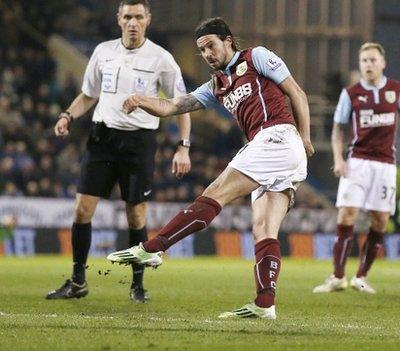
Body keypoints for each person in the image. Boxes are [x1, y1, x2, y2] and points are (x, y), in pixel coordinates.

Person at [107, 17, 315, 319]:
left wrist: (306, 137)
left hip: (278, 137)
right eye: (201, 50)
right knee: (264, 228)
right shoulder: (216, 85)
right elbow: (173, 106)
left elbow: (297, 92)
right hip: (274, 151)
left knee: (215, 191)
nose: (206, 54)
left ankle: (154, 247)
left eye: (210, 46)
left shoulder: (255, 57)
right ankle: (265, 303)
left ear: (228, 40)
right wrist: (141, 100)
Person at [46, 0, 192, 303]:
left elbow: (183, 105)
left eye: (139, 16)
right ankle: (78, 281)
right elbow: (88, 95)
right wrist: (67, 115)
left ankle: (137, 285)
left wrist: (183, 147)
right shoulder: (103, 52)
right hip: (102, 139)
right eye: (128, 16)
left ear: (148, 20)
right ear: (119, 19)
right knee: (82, 210)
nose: (133, 22)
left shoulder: (161, 59)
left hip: (139, 143)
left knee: (136, 216)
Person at [313, 43, 400, 294]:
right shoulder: (350, 93)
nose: (368, 65)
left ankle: (361, 276)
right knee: (347, 214)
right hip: (357, 162)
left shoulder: (395, 90)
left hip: (385, 165)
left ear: (383, 63)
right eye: (364, 61)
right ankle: (337, 276)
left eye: (373, 60)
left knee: (380, 219)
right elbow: (338, 128)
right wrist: (339, 159)